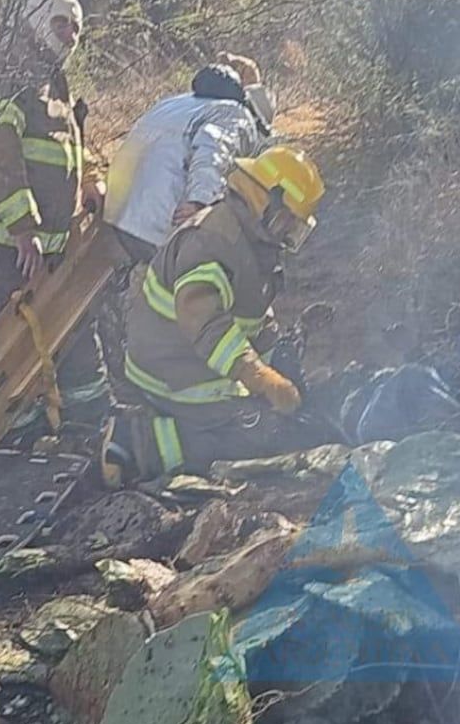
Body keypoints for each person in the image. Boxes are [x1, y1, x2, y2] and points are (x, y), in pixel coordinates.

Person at [102, 146, 324, 482]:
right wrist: (260, 377)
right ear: (267, 201)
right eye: (287, 221)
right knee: (251, 435)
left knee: (268, 423)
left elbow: (251, 312)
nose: (288, 233)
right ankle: (138, 443)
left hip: (192, 364)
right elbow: (204, 322)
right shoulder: (213, 242)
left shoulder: (251, 239)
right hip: (171, 375)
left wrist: (275, 358)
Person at [0, 0, 109, 424]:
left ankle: (86, 422)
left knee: (64, 337)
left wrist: (90, 179)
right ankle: (9, 437)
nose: (71, 36)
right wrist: (22, 226)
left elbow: (67, 143)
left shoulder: (49, 78)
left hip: (42, 248)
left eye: (77, 29)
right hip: (1, 246)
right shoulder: (2, 67)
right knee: (5, 354)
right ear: (35, 18)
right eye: (61, 23)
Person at [102, 59, 276, 262]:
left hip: (118, 211)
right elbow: (213, 153)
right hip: (159, 221)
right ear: (258, 119)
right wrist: (199, 202)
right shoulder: (238, 116)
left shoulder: (177, 103)